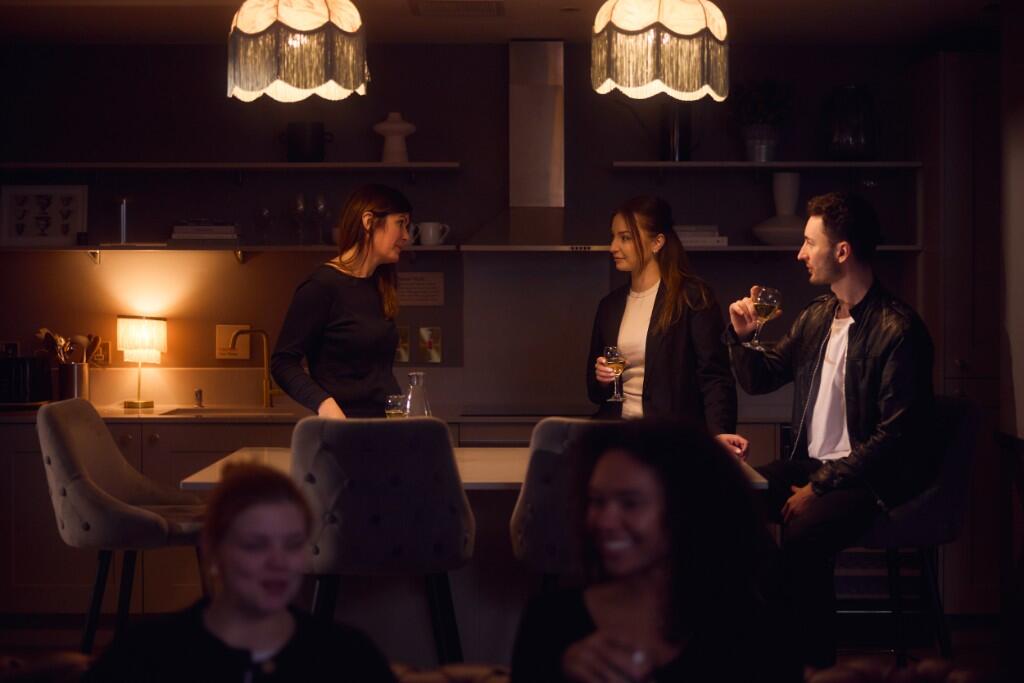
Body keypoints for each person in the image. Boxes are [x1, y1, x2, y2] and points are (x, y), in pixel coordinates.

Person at [725, 192, 936, 669]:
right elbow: (761, 379)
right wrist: (743, 338)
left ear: (841, 251)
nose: (800, 253)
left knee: (803, 532)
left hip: (870, 478)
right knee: (729, 499)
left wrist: (819, 487)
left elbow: (894, 437)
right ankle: (761, 644)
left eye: (809, 242)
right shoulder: (818, 315)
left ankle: (811, 664)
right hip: (814, 466)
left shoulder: (899, 329)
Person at [510, 419, 797, 683]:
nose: (604, 521)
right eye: (597, 501)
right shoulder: (550, 621)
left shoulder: (749, 628)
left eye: (630, 504)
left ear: (683, 510)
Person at [83, 464, 397, 683]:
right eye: (255, 545)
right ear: (213, 549)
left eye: (292, 544)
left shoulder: (348, 658)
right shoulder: (145, 656)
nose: (278, 562)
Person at [586, 196, 748, 457]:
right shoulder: (610, 305)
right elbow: (594, 393)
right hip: (619, 439)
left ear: (657, 242)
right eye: (613, 237)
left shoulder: (692, 297)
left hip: (672, 442)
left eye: (625, 238)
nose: (613, 247)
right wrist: (602, 377)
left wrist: (719, 433)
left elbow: (715, 377)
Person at [271, 184, 412, 419]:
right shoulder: (321, 286)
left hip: (386, 426)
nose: (406, 236)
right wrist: (324, 404)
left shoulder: (380, 284)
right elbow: (282, 362)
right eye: (400, 223)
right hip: (343, 429)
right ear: (369, 222)